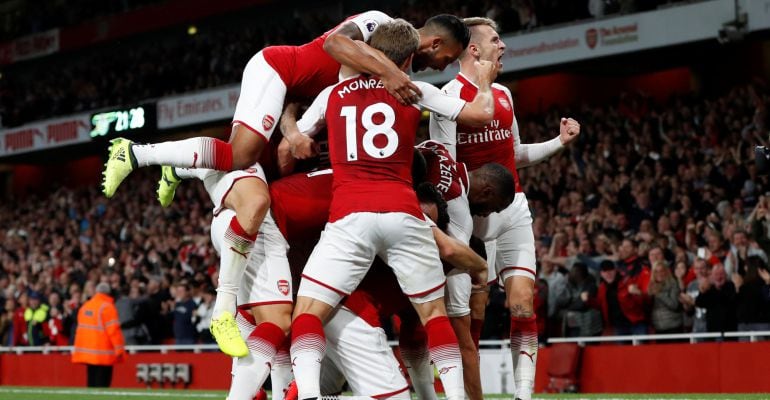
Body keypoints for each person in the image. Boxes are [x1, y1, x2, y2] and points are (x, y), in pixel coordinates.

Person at [123, 13, 471, 357]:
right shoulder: (378, 28)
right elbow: (335, 43)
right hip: (275, 69)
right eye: (449, 60)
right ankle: (143, 155)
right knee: (244, 156)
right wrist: (388, 74)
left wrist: (294, 131)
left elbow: (298, 102)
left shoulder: (376, 79)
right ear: (435, 44)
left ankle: (183, 173)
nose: (444, 68)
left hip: (290, 120)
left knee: (279, 309)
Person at [286, 19, 495, 400]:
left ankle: (309, 395)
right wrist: (483, 79)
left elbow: (290, 143)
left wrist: (294, 134)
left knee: (308, 314)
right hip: (404, 212)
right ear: (410, 57)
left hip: (349, 215)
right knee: (433, 316)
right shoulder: (415, 91)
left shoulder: (333, 93)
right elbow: (481, 114)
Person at [428, 17, 580, 400]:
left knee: (523, 304)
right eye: (497, 40)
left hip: (513, 210)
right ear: (474, 49)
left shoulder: (505, 95)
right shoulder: (447, 97)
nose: (504, 46)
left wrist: (557, 143)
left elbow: (514, 155)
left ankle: (524, 396)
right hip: (469, 218)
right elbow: (444, 168)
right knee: (469, 317)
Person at [72, 282, 125, 388]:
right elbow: (113, 331)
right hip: (103, 354)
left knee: (91, 385)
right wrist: (119, 350)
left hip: (88, 354)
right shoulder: (107, 307)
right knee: (102, 387)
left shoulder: (85, 306)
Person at [647, 261, 683, 334]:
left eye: (661, 271)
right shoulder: (651, 286)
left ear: (666, 271)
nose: (659, 274)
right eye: (656, 271)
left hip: (673, 326)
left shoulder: (673, 284)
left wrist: (659, 294)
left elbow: (674, 305)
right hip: (658, 327)